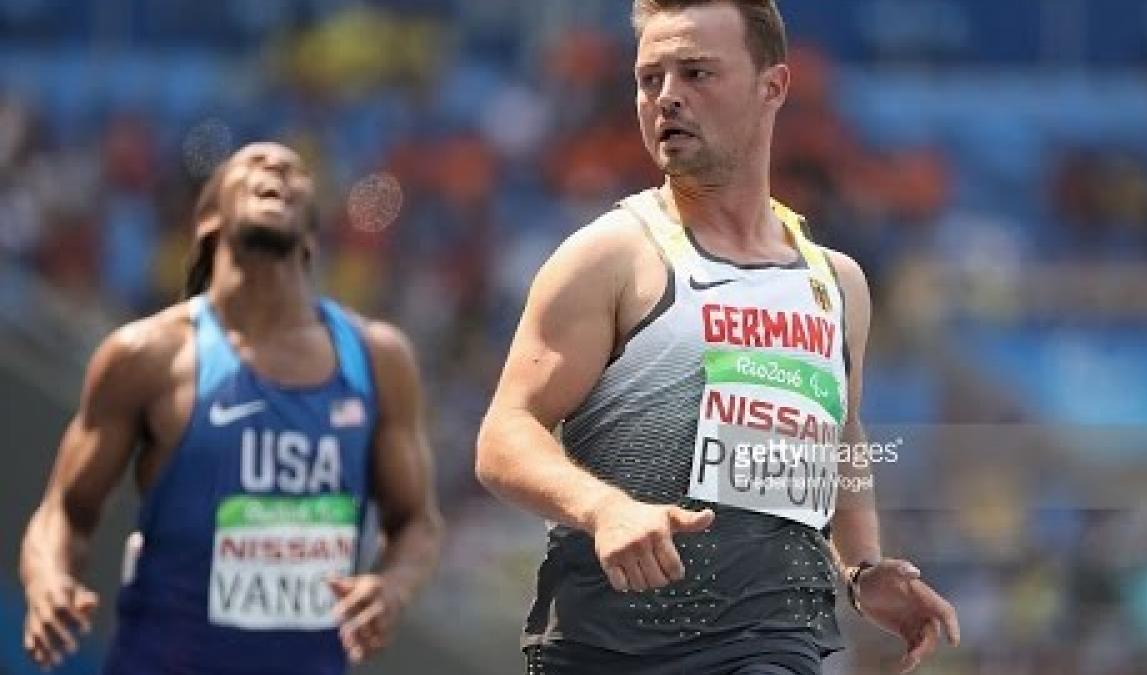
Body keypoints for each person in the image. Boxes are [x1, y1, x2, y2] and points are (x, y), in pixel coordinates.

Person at [476, 2, 959, 673]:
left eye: (697, 72)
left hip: (771, 641)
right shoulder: (612, 257)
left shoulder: (837, 282)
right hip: (603, 648)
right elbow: (504, 434)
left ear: (773, 87)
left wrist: (862, 564)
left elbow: (840, 434)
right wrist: (604, 507)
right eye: (650, 79)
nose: (667, 95)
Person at [19, 142, 442, 674]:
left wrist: (392, 590)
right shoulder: (146, 356)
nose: (276, 169)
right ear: (209, 218)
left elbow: (416, 524)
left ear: (311, 234)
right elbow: (64, 513)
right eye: (254, 164)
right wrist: (49, 582)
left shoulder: (378, 359)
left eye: (294, 170)